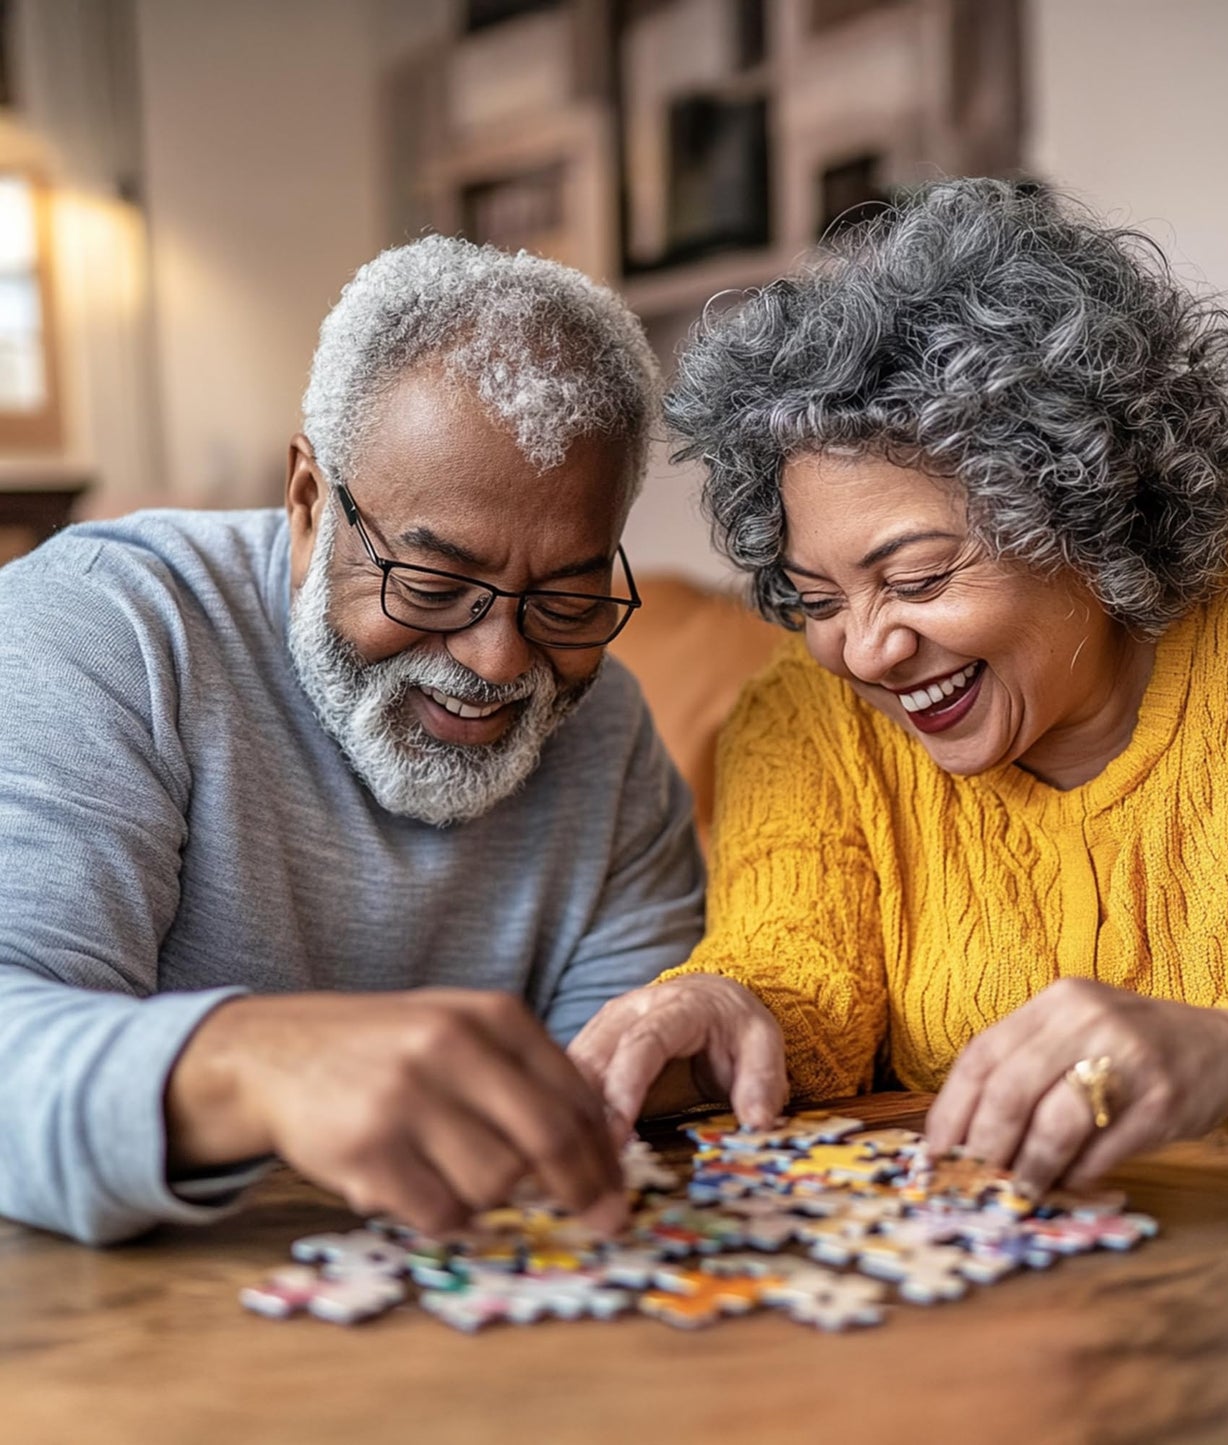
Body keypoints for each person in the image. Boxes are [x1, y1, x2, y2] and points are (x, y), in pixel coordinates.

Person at [572, 179, 1228, 1195]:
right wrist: (704, 1019)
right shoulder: (805, 716)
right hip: (1007, 1326)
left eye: (917, 578)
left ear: (1085, 508)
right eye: (817, 596)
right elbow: (797, 981)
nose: (864, 651)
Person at [0, 237, 705, 1245]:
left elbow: (599, 1124)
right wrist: (254, 1061)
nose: (501, 660)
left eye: (565, 598)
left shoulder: (606, 725)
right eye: (428, 583)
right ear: (307, 504)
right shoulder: (98, 631)